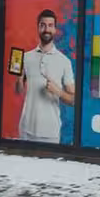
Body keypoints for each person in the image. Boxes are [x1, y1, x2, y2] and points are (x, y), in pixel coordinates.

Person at [15, 9, 75, 143]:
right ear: (38, 27)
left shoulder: (64, 61)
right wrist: (19, 78)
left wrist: (58, 91)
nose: (46, 29)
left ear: (55, 29)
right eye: (42, 25)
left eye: (50, 25)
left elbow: (73, 100)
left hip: (50, 132)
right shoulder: (26, 57)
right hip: (25, 130)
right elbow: (19, 91)